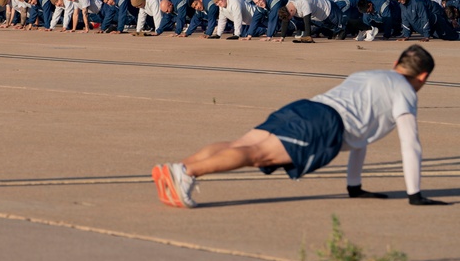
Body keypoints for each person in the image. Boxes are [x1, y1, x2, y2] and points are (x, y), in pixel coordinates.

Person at [153, 45, 447, 208]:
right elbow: (411, 144)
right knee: (258, 156)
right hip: (323, 125)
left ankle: (176, 169)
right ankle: (186, 172)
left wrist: (355, 188)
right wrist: (415, 195)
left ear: (396, 62)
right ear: (422, 77)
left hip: (307, 106)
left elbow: (361, 140)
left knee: (239, 145)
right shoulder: (406, 92)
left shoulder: (370, 74)